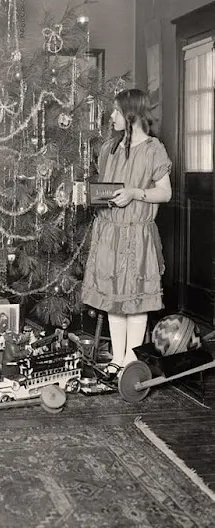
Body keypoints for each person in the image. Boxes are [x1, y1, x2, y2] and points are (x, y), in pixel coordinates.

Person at [82, 88, 172, 375]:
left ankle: (131, 363)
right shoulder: (110, 147)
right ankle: (116, 359)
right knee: (113, 300)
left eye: (117, 112)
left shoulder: (153, 149)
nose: (112, 116)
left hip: (136, 235)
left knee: (135, 301)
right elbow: (104, 187)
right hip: (109, 232)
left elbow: (165, 193)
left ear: (131, 114)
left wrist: (134, 193)